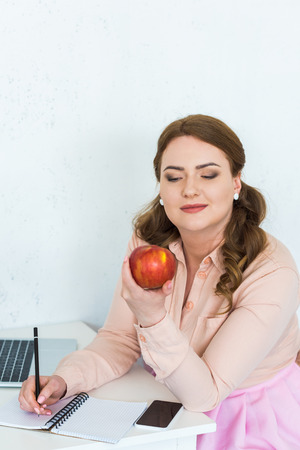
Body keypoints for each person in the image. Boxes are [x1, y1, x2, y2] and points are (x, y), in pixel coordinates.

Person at [19, 114, 300, 449]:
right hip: (163, 403)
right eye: (173, 177)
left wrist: (152, 317)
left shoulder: (272, 272)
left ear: (236, 182)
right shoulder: (148, 240)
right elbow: (120, 341)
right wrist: (64, 380)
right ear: (161, 186)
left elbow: (205, 395)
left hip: (248, 419)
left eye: (208, 174)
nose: (190, 189)